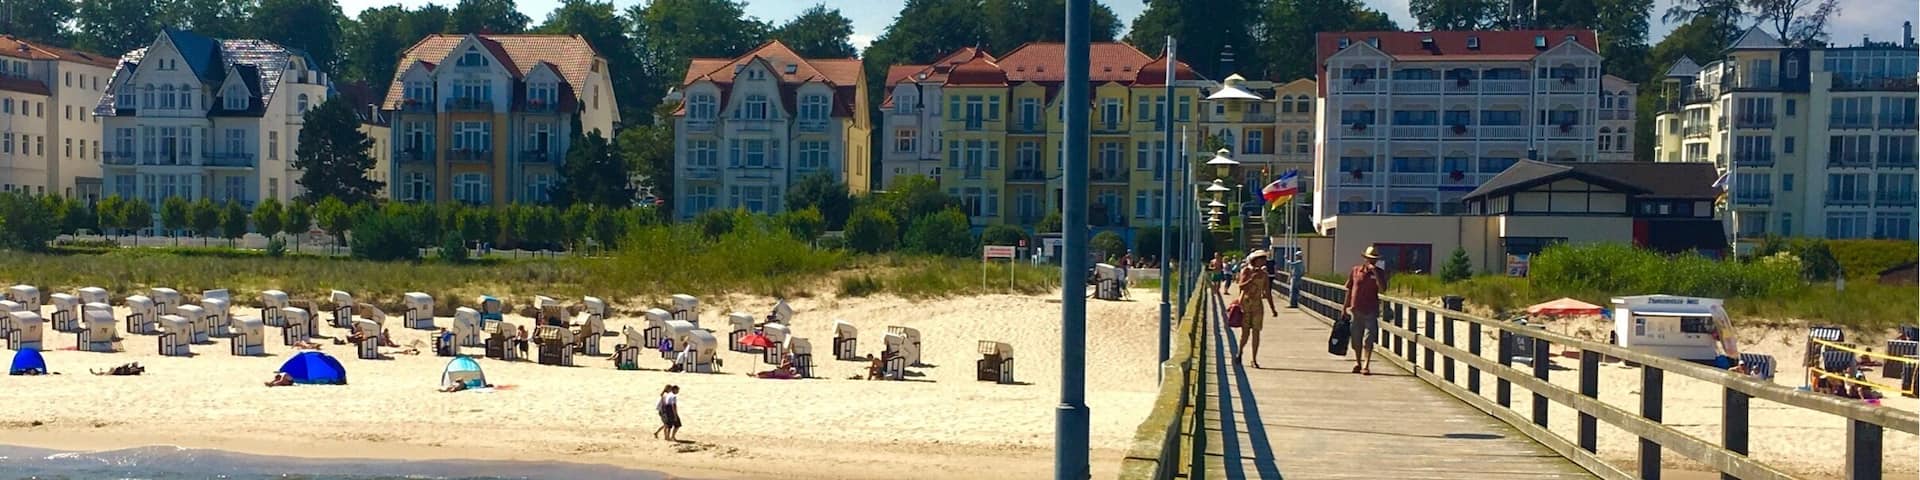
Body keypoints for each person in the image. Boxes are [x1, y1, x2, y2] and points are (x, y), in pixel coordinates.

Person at [1344, 246, 1388, 376]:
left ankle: (1366, 365)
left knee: (1368, 339)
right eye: (1370, 259)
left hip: (1371, 310)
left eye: (1374, 259)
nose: (1372, 261)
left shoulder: (1379, 272)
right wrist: (1344, 307)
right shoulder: (1356, 270)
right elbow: (1349, 289)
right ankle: (1358, 362)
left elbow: (1382, 289)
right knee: (1356, 339)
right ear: (1365, 259)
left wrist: (1375, 273)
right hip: (1356, 309)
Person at [1235, 250, 1278, 368]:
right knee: (1245, 333)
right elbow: (1241, 286)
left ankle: (1254, 359)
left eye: (1264, 259)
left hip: (1257, 305)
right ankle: (1240, 351)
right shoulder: (1246, 271)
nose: (1263, 261)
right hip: (1245, 304)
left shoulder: (1264, 275)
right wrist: (1251, 279)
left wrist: (1273, 308)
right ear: (1255, 260)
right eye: (1261, 259)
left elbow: (1267, 292)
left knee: (1256, 332)